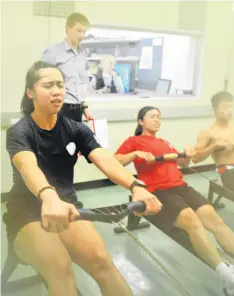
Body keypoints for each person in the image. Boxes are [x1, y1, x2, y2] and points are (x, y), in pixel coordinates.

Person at [3, 61, 162, 296]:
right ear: (30, 92)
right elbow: (28, 166)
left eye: (60, 84)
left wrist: (136, 185)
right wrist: (49, 197)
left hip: (68, 207)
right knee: (60, 267)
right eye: (48, 85)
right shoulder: (20, 131)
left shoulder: (76, 129)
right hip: (27, 214)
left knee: (102, 262)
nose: (57, 90)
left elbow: (104, 159)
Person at [114, 106, 234, 296]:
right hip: (158, 191)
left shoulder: (164, 142)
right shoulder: (134, 141)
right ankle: (229, 277)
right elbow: (114, 161)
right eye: (152, 117)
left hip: (182, 187)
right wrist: (134, 154)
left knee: (216, 221)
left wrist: (187, 155)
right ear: (141, 121)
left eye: (159, 116)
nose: (157, 119)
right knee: (192, 222)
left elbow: (181, 163)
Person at [192, 91, 234, 235]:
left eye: (232, 106)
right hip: (226, 170)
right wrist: (213, 147)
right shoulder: (208, 132)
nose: (230, 110)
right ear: (216, 108)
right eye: (226, 106)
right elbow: (195, 158)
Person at [41, 12, 93, 122]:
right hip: (59, 108)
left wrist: (84, 108)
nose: (82, 35)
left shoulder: (82, 56)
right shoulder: (52, 53)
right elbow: (41, 83)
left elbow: (80, 84)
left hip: (77, 109)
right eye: (79, 30)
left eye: (84, 31)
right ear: (68, 29)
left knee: (75, 139)